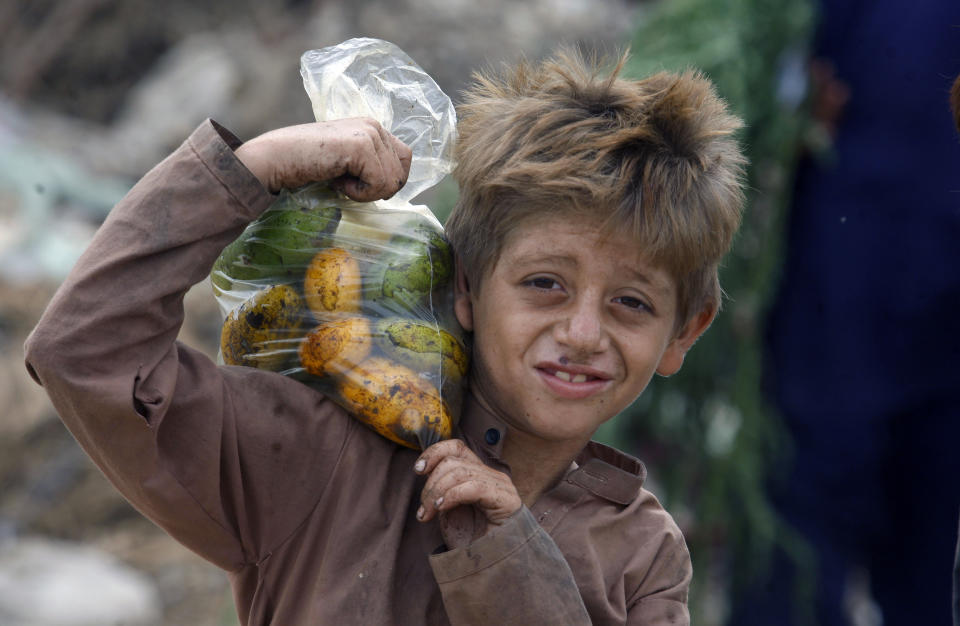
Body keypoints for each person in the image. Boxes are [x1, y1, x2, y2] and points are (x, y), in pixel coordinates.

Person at [23, 50, 745, 624]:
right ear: (463, 287)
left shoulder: (643, 554)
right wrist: (255, 169)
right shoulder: (319, 456)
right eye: (544, 284)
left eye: (630, 303)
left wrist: (510, 549)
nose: (583, 333)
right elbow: (85, 352)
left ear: (685, 332)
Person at [728, 2, 960, 624]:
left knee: (932, 527)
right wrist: (784, 87)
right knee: (803, 518)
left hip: (934, 265)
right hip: (848, 254)